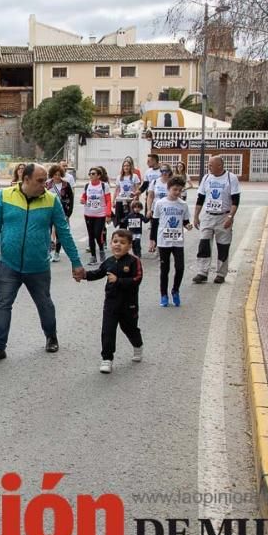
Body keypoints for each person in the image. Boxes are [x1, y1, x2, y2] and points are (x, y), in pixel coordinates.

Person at [0, 163, 85, 363]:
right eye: (39, 181)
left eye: (45, 180)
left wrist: (76, 263)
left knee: (44, 303)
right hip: (8, 264)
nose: (44, 184)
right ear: (25, 179)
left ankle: (51, 336)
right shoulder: (5, 196)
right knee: (2, 305)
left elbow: (64, 232)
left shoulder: (51, 200)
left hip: (38, 266)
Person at [84, 229, 144, 374]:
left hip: (128, 304)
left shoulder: (134, 261)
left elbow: (137, 279)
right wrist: (84, 275)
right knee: (108, 330)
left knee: (129, 328)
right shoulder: (109, 262)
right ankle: (107, 358)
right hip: (111, 303)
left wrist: (119, 281)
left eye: (122, 243)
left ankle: (138, 345)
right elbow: (98, 273)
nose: (118, 245)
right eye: (115, 242)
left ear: (129, 246)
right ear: (110, 243)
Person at [192, 156, 241, 284]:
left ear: (220, 165)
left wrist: (230, 216)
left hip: (223, 216)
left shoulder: (231, 178)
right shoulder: (206, 178)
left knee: (223, 246)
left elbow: (236, 200)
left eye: (211, 165)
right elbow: (200, 198)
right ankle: (202, 272)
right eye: (208, 165)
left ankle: (221, 273)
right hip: (208, 216)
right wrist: (196, 216)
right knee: (204, 244)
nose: (208, 167)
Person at [150, 177, 193, 307]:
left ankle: (175, 290)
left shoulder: (183, 204)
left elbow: (185, 221)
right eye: (175, 189)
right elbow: (155, 223)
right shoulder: (160, 203)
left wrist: (188, 225)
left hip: (177, 241)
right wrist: (152, 240)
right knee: (165, 269)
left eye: (180, 190)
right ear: (168, 189)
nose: (177, 192)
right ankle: (163, 294)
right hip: (164, 240)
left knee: (180, 268)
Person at [80, 167, 112, 264]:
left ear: (98, 175)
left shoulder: (104, 186)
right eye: (90, 174)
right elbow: (84, 196)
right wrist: (82, 199)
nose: (91, 175)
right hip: (89, 213)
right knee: (91, 235)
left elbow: (108, 200)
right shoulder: (87, 185)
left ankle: (101, 249)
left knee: (98, 234)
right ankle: (93, 256)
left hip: (100, 214)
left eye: (93, 173)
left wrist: (108, 214)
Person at [46, 164, 75, 262]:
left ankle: (57, 253)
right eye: (55, 174)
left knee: (59, 234)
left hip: (61, 212)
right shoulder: (47, 184)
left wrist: (68, 214)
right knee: (47, 232)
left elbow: (71, 199)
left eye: (59, 174)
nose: (57, 177)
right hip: (48, 212)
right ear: (52, 175)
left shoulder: (66, 185)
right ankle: (48, 252)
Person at [114, 158, 139, 228]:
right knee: (122, 221)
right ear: (122, 167)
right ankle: (122, 236)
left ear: (131, 167)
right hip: (121, 201)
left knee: (132, 221)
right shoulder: (119, 177)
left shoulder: (135, 176)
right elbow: (117, 190)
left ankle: (132, 237)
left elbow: (137, 190)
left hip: (131, 201)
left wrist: (136, 199)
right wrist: (114, 201)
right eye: (124, 166)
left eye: (128, 165)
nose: (126, 167)